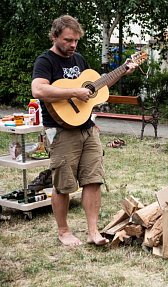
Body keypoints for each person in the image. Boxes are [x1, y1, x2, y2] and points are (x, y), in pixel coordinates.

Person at [31, 15, 138, 246]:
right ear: (55, 36)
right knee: (63, 184)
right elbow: (38, 90)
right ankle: (64, 231)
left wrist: (122, 71)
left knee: (93, 179)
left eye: (76, 41)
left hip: (87, 128)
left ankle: (93, 232)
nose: (73, 45)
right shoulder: (45, 61)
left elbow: (95, 87)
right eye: (68, 40)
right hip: (60, 130)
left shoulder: (78, 59)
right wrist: (73, 92)